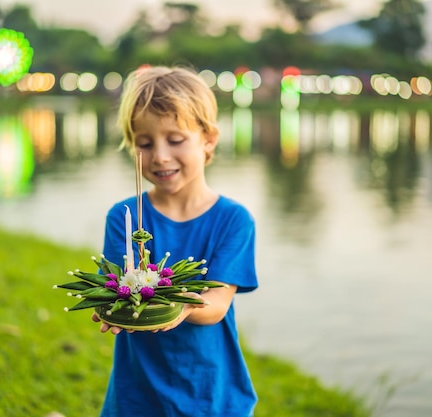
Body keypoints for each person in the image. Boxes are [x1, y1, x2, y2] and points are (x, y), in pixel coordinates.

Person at [92, 65, 259, 417]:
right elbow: (115, 288)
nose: (160, 156)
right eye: (145, 143)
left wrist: (179, 304)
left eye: (176, 139)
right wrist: (107, 305)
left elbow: (216, 305)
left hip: (209, 392)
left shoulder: (233, 220)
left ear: (208, 139)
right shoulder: (123, 216)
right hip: (137, 393)